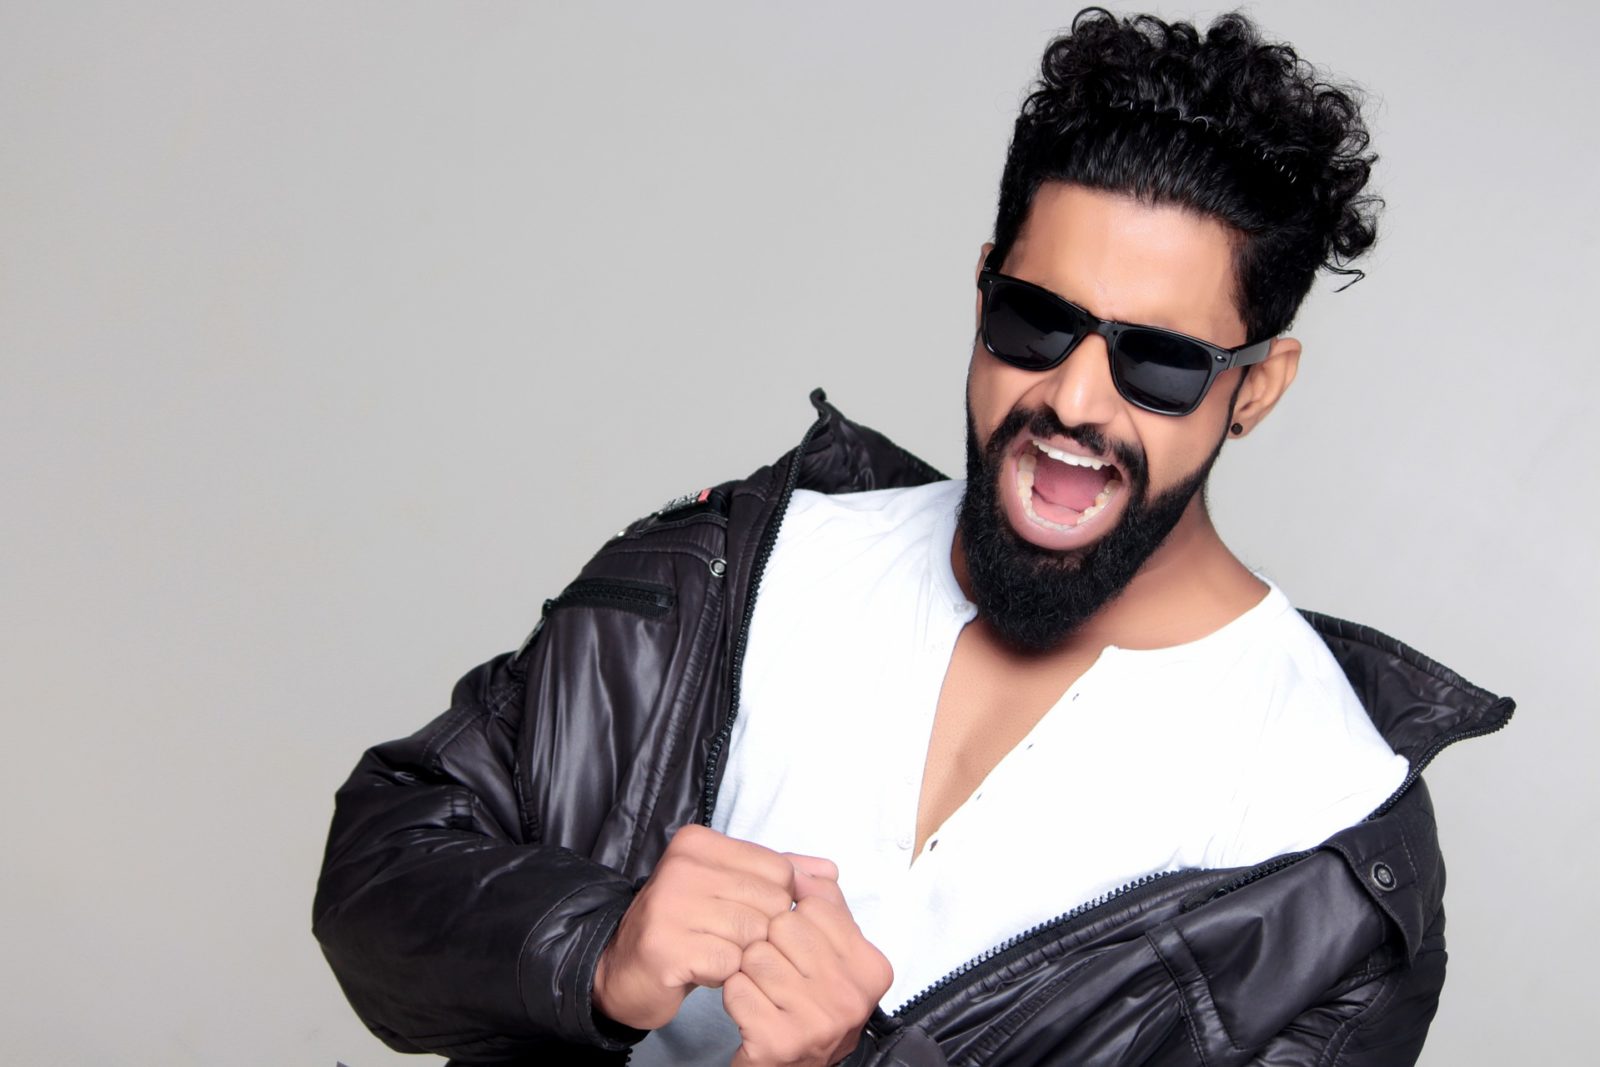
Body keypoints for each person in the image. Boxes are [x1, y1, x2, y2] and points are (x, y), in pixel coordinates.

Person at [313, 9, 1513, 1066]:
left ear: (1256, 387)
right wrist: (602, 950)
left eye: (1159, 362)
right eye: (1037, 320)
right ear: (984, 287)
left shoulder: (1327, 845)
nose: (1074, 400)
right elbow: (381, 862)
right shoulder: (744, 564)